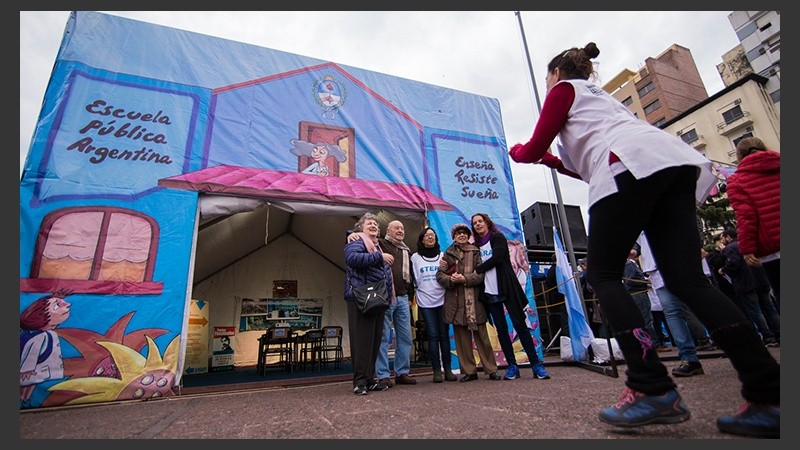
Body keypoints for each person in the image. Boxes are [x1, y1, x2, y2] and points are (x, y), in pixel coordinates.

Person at [508, 42, 779, 437]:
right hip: (670, 164)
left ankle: (651, 387)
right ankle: (768, 392)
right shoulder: (603, 104)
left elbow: (534, 147)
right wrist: (549, 160)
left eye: (547, 77)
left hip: (628, 166)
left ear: (555, 73)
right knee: (689, 280)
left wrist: (521, 152)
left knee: (602, 274)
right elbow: (585, 165)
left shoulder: (564, 90)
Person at [471, 213, 550, 380]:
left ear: (486, 222)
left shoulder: (497, 237)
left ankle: (536, 364)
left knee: (520, 325)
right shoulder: (476, 245)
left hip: (507, 288)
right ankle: (512, 366)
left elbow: (498, 257)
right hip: (489, 291)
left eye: (480, 221)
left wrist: (478, 269)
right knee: (501, 330)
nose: (478, 224)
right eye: (475, 223)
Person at [436, 223, 499, 382]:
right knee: (462, 340)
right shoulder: (447, 254)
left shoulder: (476, 252)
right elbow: (439, 275)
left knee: (483, 338)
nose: (462, 235)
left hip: (475, 301)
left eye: (464, 233)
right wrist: (451, 279)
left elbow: (481, 273)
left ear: (468, 236)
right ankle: (469, 371)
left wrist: (465, 279)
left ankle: (491, 369)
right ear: (454, 237)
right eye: (458, 234)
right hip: (455, 302)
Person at [637, 232, 705, 377]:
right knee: (672, 312)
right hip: (656, 269)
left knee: (696, 306)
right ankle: (689, 358)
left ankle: (723, 341)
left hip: (677, 261)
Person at [726, 137, 780, 313]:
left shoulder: (737, 180)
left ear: (739, 156)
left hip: (773, 249)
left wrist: (747, 248)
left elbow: (746, 216)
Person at [343, 213, 394, 395]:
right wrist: (380, 258)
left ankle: (369, 378)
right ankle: (360, 382)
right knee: (362, 340)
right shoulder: (356, 241)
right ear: (360, 228)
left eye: (375, 224)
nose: (373, 225)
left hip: (377, 298)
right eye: (369, 223)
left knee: (374, 341)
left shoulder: (376, 246)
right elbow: (352, 260)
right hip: (360, 296)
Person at [410, 226, 457, 382]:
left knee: (444, 335)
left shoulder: (443, 256)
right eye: (427, 235)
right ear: (422, 239)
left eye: (432, 235)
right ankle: (436, 370)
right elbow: (410, 279)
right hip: (425, 300)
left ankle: (448, 370)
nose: (430, 237)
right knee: (432, 335)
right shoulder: (414, 258)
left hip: (443, 299)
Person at [718, 229, 779, 347]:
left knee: (755, 311)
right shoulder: (747, 243)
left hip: (745, 283)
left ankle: (768, 336)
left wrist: (723, 270)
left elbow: (734, 263)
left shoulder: (730, 248)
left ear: (728, 237)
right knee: (770, 308)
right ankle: (779, 333)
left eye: (722, 237)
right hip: (761, 280)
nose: (722, 240)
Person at [375, 220, 417, 387]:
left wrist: (409, 297)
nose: (400, 230)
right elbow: (360, 241)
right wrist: (352, 234)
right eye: (397, 228)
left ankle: (402, 373)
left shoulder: (406, 250)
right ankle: (383, 375)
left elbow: (411, 277)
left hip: (402, 298)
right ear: (388, 230)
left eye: (402, 228)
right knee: (384, 338)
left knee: (405, 338)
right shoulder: (380, 244)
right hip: (385, 297)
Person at [20, 290, 72, 405]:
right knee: (27, 383)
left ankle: (26, 399)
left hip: (42, 366)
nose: (68, 304)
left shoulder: (48, 334)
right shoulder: (38, 336)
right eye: (57, 305)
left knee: (33, 383)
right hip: (33, 368)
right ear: (42, 316)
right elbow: (30, 352)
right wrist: (26, 369)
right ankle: (23, 398)